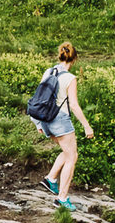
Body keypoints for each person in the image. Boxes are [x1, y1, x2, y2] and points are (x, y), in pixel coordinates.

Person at [36, 40, 95, 210]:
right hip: (60, 121)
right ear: (74, 59)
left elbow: (39, 98)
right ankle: (62, 198)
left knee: (66, 151)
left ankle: (51, 179)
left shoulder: (49, 71)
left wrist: (38, 123)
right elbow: (74, 106)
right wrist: (86, 126)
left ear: (59, 55)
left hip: (46, 120)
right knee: (72, 157)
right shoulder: (70, 78)